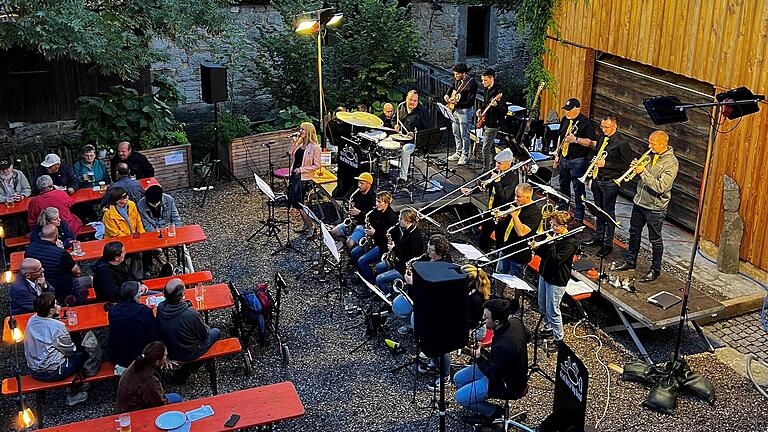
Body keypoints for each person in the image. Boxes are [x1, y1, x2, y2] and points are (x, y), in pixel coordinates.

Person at [614, 130, 679, 282]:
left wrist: (642, 172)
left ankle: (655, 270)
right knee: (634, 233)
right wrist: (635, 168)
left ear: (663, 144)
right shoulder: (650, 156)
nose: (649, 146)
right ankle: (631, 261)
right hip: (639, 202)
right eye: (649, 142)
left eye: (653, 143)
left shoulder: (671, 163)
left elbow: (661, 186)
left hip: (655, 207)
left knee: (655, 239)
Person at [453, 298, 528, 424]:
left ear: (497, 321)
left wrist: (477, 357)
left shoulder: (504, 345)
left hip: (506, 383)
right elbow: (527, 335)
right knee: (458, 378)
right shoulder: (515, 321)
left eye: (486, 317)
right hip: (499, 368)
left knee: (460, 397)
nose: (482, 319)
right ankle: (476, 401)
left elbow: (493, 375)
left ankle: (492, 412)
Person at [23, 293, 89, 405]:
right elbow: (69, 350)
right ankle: (73, 392)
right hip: (52, 372)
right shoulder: (57, 326)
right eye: (56, 304)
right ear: (51, 310)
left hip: (33, 368)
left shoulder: (32, 319)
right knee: (82, 354)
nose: (58, 306)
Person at [581, 115, 632, 257]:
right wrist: (591, 175)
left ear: (614, 126)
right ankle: (598, 237)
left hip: (610, 181)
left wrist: (606, 164)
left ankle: (608, 244)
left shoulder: (622, 143)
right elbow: (597, 155)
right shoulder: (602, 138)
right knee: (598, 210)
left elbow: (625, 165)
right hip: (598, 179)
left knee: (608, 213)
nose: (603, 130)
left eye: (606, 127)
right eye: (602, 127)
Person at [156, 279, 221, 382]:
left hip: (170, 350)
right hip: (188, 352)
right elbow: (204, 336)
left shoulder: (160, 308)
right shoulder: (191, 315)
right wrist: (206, 327)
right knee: (216, 331)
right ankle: (193, 366)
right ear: (182, 295)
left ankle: (184, 371)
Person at [534, 210, 579, 351]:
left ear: (564, 225)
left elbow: (556, 261)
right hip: (545, 274)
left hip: (557, 279)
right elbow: (544, 255)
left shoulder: (570, 243)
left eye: (555, 226)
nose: (552, 228)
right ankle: (548, 328)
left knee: (553, 310)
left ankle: (559, 339)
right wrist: (537, 247)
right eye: (552, 224)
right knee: (542, 305)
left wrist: (551, 243)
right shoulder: (554, 235)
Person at [392, 234, 452, 335]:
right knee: (396, 307)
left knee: (416, 321)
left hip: (427, 300)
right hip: (414, 293)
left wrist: (414, 282)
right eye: (428, 247)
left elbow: (433, 287)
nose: (427, 250)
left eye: (431, 249)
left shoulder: (444, 266)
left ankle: (423, 340)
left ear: (440, 253)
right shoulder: (426, 257)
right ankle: (410, 327)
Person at [462, 148, 518, 252]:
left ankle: (497, 260)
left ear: (508, 164)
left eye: (500, 163)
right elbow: (485, 183)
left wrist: (497, 182)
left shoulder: (513, 179)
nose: (497, 165)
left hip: (503, 214)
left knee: (500, 239)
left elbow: (504, 198)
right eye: (497, 163)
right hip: (491, 209)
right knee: (483, 236)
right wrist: (472, 190)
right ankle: (483, 255)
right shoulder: (496, 171)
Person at [553, 98, 597, 226]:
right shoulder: (565, 119)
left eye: (569, 110)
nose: (567, 112)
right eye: (566, 110)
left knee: (578, 190)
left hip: (577, 160)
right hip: (564, 158)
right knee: (563, 187)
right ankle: (562, 212)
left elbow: (593, 143)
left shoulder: (586, 123)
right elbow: (561, 136)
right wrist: (557, 154)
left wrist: (576, 139)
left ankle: (579, 217)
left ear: (577, 109)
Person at [25, 224, 90, 304]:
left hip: (40, 287)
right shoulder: (61, 253)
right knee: (91, 279)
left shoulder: (29, 249)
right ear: (56, 237)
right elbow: (77, 272)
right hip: (65, 290)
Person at [115, 341, 182, 413]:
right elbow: (159, 403)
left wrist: (161, 364)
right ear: (157, 362)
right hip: (133, 411)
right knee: (177, 398)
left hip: (123, 406)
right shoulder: (149, 378)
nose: (166, 358)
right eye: (165, 356)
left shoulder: (138, 362)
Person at [108, 281, 160, 372]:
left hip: (121, 354)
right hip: (141, 355)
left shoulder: (112, 311)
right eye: (139, 292)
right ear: (135, 296)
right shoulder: (143, 311)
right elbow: (154, 334)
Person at [495, 183, 542, 279]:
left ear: (528, 197)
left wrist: (514, 216)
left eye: (518, 196)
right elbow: (510, 223)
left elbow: (522, 232)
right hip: (506, 248)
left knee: (516, 281)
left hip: (519, 254)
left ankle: (517, 295)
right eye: (515, 195)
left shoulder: (535, 213)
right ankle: (498, 294)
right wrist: (502, 217)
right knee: (499, 275)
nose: (515, 199)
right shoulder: (517, 205)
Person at [373, 208, 424, 295]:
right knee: (378, 267)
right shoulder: (408, 230)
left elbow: (408, 257)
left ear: (407, 221)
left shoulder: (413, 236)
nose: (398, 221)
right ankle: (381, 289)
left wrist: (393, 248)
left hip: (405, 268)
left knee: (379, 279)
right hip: (400, 261)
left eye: (401, 219)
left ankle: (389, 296)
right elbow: (403, 248)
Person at [351, 191, 398, 283]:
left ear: (387, 202)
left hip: (383, 246)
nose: (376, 204)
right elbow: (368, 217)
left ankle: (372, 282)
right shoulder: (377, 211)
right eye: (376, 201)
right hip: (374, 241)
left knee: (362, 261)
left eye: (379, 202)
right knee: (354, 252)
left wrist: (374, 233)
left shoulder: (391, 218)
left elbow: (389, 238)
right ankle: (363, 274)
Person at [287, 122, 322, 236]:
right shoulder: (299, 144)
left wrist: (302, 169)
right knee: (295, 201)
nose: (300, 131)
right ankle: (306, 225)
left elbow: (317, 165)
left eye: (303, 129)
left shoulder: (315, 147)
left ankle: (312, 227)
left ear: (309, 132)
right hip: (295, 175)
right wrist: (294, 141)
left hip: (304, 177)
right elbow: (290, 153)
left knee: (299, 203)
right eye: (300, 129)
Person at [330, 172, 376, 251]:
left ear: (368, 184)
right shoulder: (358, 193)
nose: (359, 185)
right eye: (359, 183)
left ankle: (353, 250)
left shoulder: (373, 198)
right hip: (355, 221)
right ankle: (347, 247)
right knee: (334, 232)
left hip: (364, 225)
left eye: (362, 183)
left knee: (350, 243)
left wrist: (359, 213)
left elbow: (374, 217)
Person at [395, 90, 432, 184]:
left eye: (415, 101)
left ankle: (403, 177)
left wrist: (415, 134)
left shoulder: (423, 111)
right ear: (406, 98)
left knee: (405, 149)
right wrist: (395, 125)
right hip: (400, 137)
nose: (412, 102)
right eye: (410, 99)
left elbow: (427, 130)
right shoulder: (401, 107)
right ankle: (384, 170)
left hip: (414, 142)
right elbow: (394, 119)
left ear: (418, 101)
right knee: (383, 143)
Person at [445, 63, 478, 166]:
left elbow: (470, 102)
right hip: (455, 110)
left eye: (457, 74)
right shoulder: (456, 79)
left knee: (464, 134)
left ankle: (465, 155)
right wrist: (447, 95)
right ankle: (458, 152)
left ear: (464, 73)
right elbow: (451, 88)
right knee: (455, 132)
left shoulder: (472, 84)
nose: (455, 76)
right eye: (454, 74)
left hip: (465, 111)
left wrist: (456, 103)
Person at [476, 68, 507, 169]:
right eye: (482, 80)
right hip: (486, 121)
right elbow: (485, 104)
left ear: (491, 79)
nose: (483, 82)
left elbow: (504, 110)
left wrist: (496, 105)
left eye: (485, 80)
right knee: (491, 147)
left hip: (494, 123)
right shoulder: (487, 89)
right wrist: (480, 109)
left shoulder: (499, 91)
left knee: (485, 148)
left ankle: (486, 169)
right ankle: (492, 166)